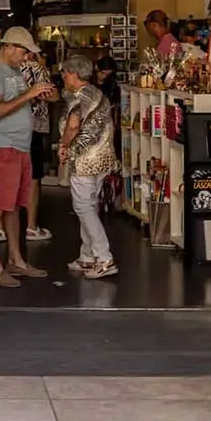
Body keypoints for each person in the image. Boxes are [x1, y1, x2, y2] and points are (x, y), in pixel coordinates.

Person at [0, 26, 56, 288]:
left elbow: (17, 102)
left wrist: (35, 96)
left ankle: (16, 260)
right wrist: (29, 94)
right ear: (8, 47)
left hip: (21, 146)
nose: (26, 57)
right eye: (24, 52)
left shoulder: (13, 71)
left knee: (13, 206)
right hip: (3, 146)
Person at [58, 54, 119, 279]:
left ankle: (104, 258)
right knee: (90, 206)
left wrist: (63, 145)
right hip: (103, 157)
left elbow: (73, 126)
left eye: (65, 73)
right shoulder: (96, 92)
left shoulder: (78, 98)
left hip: (84, 159)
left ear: (74, 75)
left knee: (83, 207)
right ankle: (88, 256)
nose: (63, 77)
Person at [20, 49, 54, 242]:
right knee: (33, 178)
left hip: (7, 129)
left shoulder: (1, 69)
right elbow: (52, 95)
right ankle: (31, 227)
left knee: (9, 178)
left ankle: (1, 228)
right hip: (33, 126)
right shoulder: (36, 68)